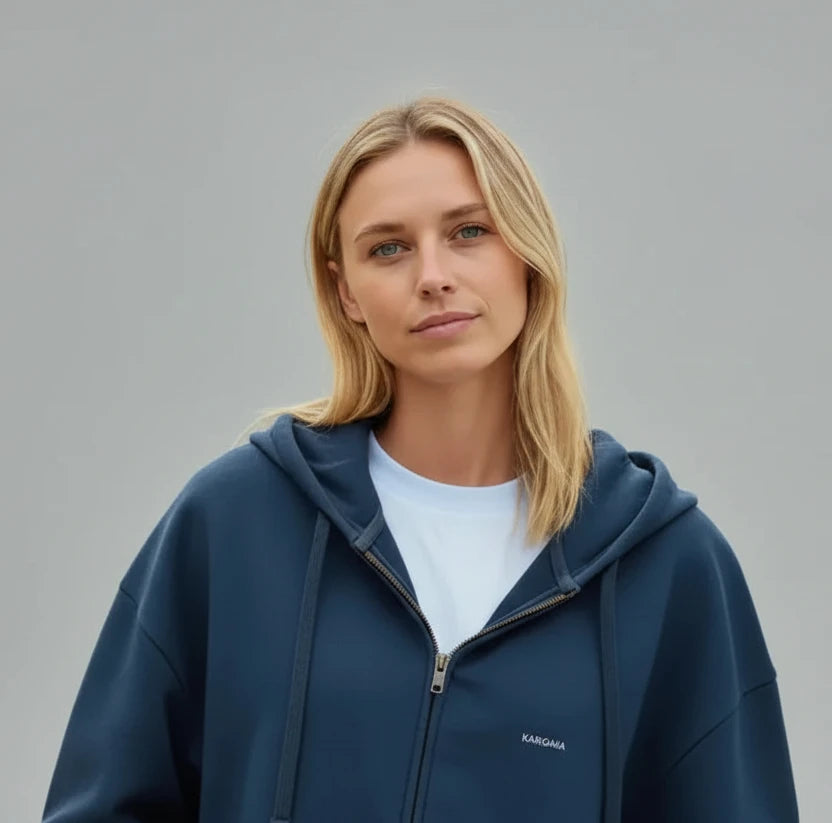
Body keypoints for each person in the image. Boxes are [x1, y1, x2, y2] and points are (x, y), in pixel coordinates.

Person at [42, 95, 799, 822]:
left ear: (527, 257)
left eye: (469, 231)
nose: (432, 274)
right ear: (347, 292)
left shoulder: (667, 563)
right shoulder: (233, 523)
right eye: (389, 247)